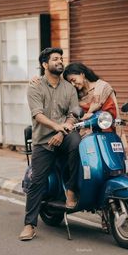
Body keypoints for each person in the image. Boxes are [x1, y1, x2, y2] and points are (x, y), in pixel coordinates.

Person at [19, 48, 81, 241]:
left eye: (61, 58)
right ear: (45, 64)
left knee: (77, 143)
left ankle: (71, 191)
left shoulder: (69, 88)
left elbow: (73, 114)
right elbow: (37, 115)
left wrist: (63, 130)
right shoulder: (35, 86)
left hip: (64, 136)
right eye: (55, 59)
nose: (60, 61)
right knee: (37, 181)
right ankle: (29, 224)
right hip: (43, 140)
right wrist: (57, 128)